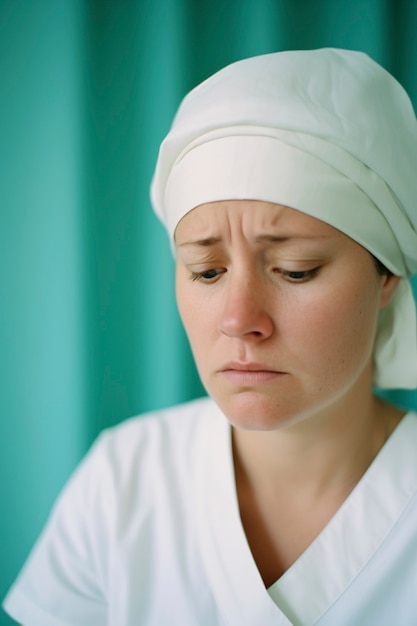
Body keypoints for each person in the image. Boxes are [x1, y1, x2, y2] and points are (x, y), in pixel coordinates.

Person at [3, 48, 417, 626]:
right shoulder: (124, 481)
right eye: (206, 272)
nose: (238, 318)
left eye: (295, 269)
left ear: (388, 276)